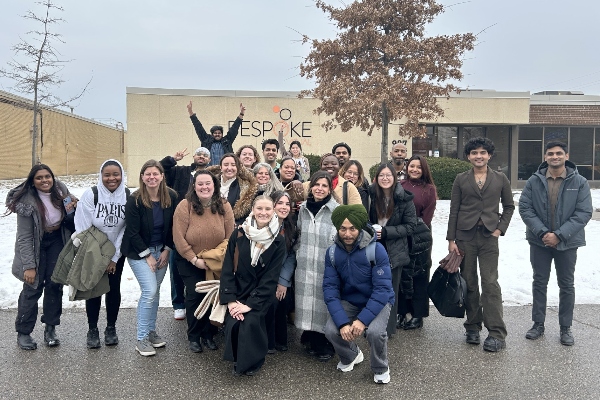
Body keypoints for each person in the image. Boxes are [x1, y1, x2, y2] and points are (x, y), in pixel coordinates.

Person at [519, 141, 592, 346]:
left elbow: (584, 213)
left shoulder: (580, 182)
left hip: (567, 243)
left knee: (566, 285)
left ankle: (565, 327)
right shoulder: (534, 181)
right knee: (539, 282)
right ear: (545, 157)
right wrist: (543, 233)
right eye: (550, 153)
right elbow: (525, 208)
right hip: (539, 241)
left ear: (566, 156)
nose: (554, 157)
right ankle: (538, 324)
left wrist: (559, 235)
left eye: (559, 153)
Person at [446, 137, 514, 352]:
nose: (479, 156)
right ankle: (473, 326)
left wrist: (499, 229)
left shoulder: (501, 178)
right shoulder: (460, 179)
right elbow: (454, 210)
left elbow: (510, 207)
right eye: (474, 152)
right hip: (465, 237)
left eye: (483, 152)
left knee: (490, 283)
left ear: (489, 155)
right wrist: (451, 240)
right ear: (468, 156)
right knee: (469, 283)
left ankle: (496, 333)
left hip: (488, 238)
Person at [323, 204, 395, 384]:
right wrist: (342, 323)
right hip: (351, 300)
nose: (347, 234)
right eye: (343, 229)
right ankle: (351, 355)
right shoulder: (332, 253)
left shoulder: (376, 250)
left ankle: (380, 367)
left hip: (378, 300)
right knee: (331, 330)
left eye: (353, 229)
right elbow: (330, 289)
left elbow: (383, 289)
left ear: (360, 228)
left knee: (375, 333)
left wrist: (362, 321)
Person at [6, 164, 76, 350]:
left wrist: (74, 203)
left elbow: (70, 205)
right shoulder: (26, 201)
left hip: (56, 240)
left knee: (55, 283)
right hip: (36, 242)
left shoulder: (60, 189)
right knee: (33, 286)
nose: (45, 181)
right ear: (32, 181)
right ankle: (24, 332)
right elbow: (25, 236)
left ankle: (50, 328)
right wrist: (29, 266)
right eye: (39, 178)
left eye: (48, 176)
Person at [220, 195, 287, 376]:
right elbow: (227, 269)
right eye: (259, 209)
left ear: (273, 211)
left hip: (261, 295)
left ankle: (252, 361)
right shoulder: (239, 234)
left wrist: (250, 304)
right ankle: (237, 358)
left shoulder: (279, 241)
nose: (263, 213)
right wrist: (232, 301)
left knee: (250, 321)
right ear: (253, 210)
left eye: (267, 209)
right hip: (239, 292)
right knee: (234, 322)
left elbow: (271, 278)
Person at [173, 170, 235, 353]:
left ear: (214, 185)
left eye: (208, 183)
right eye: (200, 184)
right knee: (195, 295)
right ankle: (194, 336)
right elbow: (178, 238)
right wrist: (194, 260)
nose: (204, 187)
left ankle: (209, 334)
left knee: (214, 296)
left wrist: (215, 257)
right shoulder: (185, 206)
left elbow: (230, 236)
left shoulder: (224, 205)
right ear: (194, 186)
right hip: (190, 259)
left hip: (217, 260)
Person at [123, 160, 177, 356]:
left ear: (162, 176)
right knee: (150, 290)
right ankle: (141, 338)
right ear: (142, 177)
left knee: (155, 292)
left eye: (155, 174)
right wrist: (147, 256)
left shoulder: (171, 196)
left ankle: (151, 332)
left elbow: (174, 226)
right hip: (139, 253)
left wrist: (167, 250)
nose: (152, 177)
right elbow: (132, 231)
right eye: (148, 174)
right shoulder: (135, 199)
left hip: (162, 251)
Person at [74, 160, 128, 348]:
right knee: (94, 291)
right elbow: (84, 227)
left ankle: (111, 328)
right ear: (101, 175)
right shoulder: (91, 195)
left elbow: (125, 230)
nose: (112, 178)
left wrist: (113, 258)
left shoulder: (127, 196)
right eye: (107, 175)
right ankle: (92, 329)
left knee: (113, 289)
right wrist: (100, 257)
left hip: (117, 254)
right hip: (93, 252)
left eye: (116, 174)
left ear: (122, 175)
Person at [160, 147, 211, 320]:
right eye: (199, 154)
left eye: (205, 155)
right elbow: (159, 169)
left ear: (209, 159)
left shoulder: (212, 176)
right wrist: (172, 159)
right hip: (179, 225)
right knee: (176, 266)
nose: (202, 157)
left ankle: (202, 302)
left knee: (200, 268)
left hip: (202, 228)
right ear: (194, 157)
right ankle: (178, 303)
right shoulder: (180, 172)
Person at [295, 171, 339, 361]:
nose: (320, 189)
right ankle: (311, 337)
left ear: (330, 189)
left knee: (323, 303)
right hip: (305, 264)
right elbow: (297, 235)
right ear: (311, 186)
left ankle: (325, 343)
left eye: (324, 186)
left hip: (326, 266)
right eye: (317, 185)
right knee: (307, 302)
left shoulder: (336, 210)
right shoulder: (303, 209)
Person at [369, 163, 417, 336]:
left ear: (395, 177)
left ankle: (387, 330)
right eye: (381, 175)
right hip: (372, 247)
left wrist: (386, 232)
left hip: (394, 250)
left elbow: (411, 226)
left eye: (388, 175)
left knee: (390, 291)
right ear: (376, 178)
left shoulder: (404, 199)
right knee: (372, 288)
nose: (385, 178)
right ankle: (371, 326)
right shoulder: (370, 195)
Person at [399, 155, 437, 330]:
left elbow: (426, 218)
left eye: (418, 167)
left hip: (420, 236)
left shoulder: (429, 189)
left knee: (419, 276)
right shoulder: (400, 186)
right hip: (400, 236)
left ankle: (418, 314)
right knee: (402, 275)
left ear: (424, 170)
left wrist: (412, 229)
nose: (414, 169)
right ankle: (401, 311)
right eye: (411, 166)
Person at [265, 191, 298, 353]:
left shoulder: (290, 227)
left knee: (283, 299)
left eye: (287, 204)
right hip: (264, 277)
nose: (284, 207)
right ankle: (268, 342)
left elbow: (291, 256)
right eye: (280, 203)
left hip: (281, 276)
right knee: (270, 302)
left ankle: (280, 340)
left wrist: (283, 282)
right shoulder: (261, 225)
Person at [187, 101, 246, 166]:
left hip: (223, 170)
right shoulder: (206, 140)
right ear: (212, 134)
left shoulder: (227, 141)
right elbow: (198, 127)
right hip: (208, 170)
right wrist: (190, 112)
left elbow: (234, 128)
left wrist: (241, 114)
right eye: (215, 133)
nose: (217, 134)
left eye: (219, 133)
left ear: (222, 134)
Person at [208, 153, 258, 225]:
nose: (229, 168)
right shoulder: (210, 182)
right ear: (221, 167)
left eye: (233, 165)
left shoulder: (246, 187)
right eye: (226, 165)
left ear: (237, 168)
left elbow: (245, 215)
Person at [295, 154, 362, 205]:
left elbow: (358, 212)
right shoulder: (307, 185)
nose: (329, 166)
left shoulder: (349, 187)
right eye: (325, 164)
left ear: (339, 167)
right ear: (321, 166)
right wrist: (294, 181)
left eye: (334, 164)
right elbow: (289, 198)